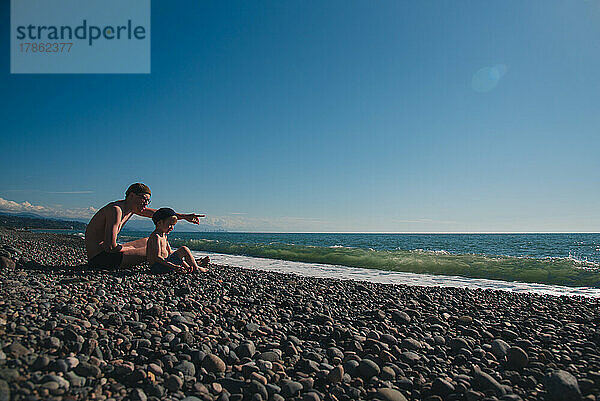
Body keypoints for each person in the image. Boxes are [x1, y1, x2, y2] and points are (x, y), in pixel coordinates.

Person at [85, 183, 205, 269]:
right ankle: (185, 263)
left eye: (148, 201)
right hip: (101, 259)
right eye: (144, 199)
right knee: (156, 250)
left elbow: (161, 215)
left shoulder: (131, 209)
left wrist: (184, 217)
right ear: (131, 196)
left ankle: (184, 261)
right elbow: (110, 247)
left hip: (107, 254)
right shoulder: (116, 210)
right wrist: (130, 248)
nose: (146, 203)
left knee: (149, 241)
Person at [146, 207, 210, 274]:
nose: (172, 227)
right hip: (157, 267)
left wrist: (185, 266)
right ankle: (196, 268)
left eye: (173, 225)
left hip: (164, 264)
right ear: (160, 223)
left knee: (182, 251)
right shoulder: (156, 237)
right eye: (170, 225)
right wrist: (174, 266)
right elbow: (157, 257)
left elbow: (170, 253)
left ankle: (192, 267)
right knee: (184, 249)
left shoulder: (164, 235)